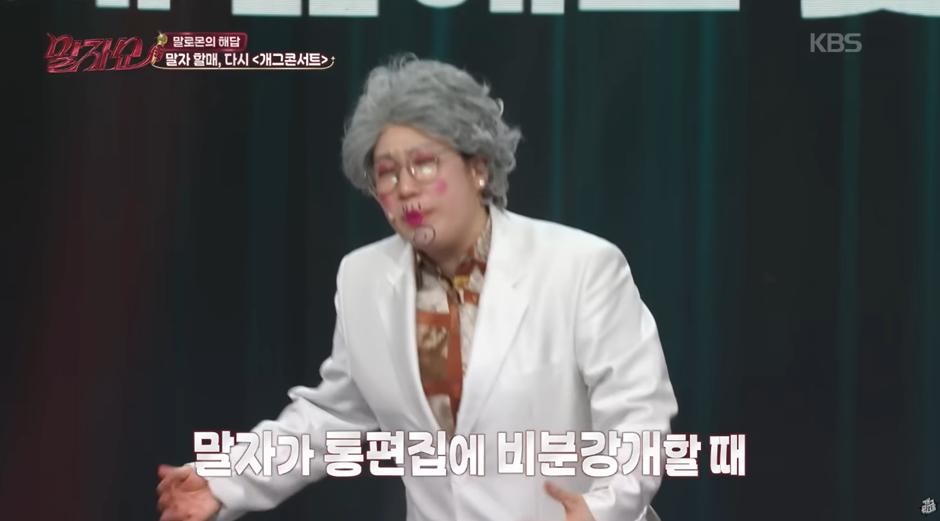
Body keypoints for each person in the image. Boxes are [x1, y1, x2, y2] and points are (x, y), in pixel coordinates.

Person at [156, 54, 678, 521]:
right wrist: (226, 481)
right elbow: (335, 414)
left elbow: (640, 417)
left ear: (478, 167)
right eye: (386, 174)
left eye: (424, 164)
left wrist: (602, 509)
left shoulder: (579, 266)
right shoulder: (362, 278)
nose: (404, 187)